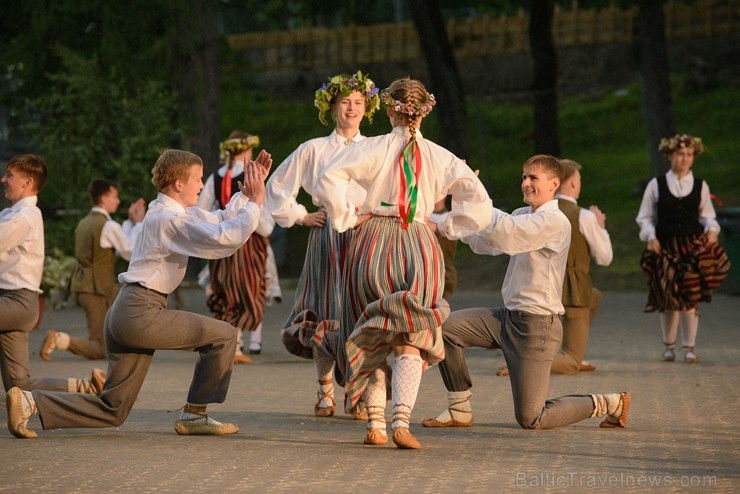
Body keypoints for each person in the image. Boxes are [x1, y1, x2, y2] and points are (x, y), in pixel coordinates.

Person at [6, 147, 273, 439]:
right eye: (197, 179)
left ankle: (30, 401)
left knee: (113, 409)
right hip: (140, 312)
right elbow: (226, 238)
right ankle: (195, 415)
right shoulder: (169, 219)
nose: (201, 185)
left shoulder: (169, 212)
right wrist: (256, 203)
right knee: (223, 334)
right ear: (178, 184)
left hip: (126, 312)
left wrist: (246, 196)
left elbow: (220, 220)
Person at [314, 77, 492, 449]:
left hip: (372, 241)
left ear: (390, 110)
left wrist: (348, 216)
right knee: (412, 330)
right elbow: (480, 204)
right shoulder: (442, 156)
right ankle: (401, 421)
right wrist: (445, 225)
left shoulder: (375, 147)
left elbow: (327, 176)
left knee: (374, 328)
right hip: (419, 244)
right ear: (424, 111)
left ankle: (376, 424)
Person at [422, 154, 630, 432]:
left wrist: (473, 193)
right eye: (524, 177)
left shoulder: (555, 221)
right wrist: (463, 196)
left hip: (537, 328)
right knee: (445, 328)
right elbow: (485, 240)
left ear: (554, 184)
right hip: (505, 319)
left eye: (533, 178)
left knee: (532, 418)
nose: (526, 183)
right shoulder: (522, 215)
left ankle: (608, 402)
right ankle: (459, 407)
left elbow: (506, 235)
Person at [266, 71, 380, 419]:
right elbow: (277, 186)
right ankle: (325, 389)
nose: (352, 108)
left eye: (358, 102)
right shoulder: (313, 149)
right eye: (345, 102)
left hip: (365, 235)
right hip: (328, 234)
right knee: (326, 309)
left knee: (364, 311)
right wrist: (301, 216)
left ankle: (362, 393)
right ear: (332, 107)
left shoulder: (375, 148)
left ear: (367, 108)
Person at [496, 158, 612, 376]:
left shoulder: (537, 212)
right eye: (579, 180)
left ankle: (570, 346)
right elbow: (605, 258)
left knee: (595, 297)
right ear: (573, 184)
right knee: (571, 363)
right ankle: (528, 363)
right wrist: (601, 228)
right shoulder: (584, 216)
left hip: (544, 286)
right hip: (574, 291)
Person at [1, 154, 105, 395]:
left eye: (9, 175)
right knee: (19, 386)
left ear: (27, 182)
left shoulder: (24, 217)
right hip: (15, 304)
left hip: (16, 302)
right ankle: (85, 387)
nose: (3, 179)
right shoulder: (14, 214)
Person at [636, 134, 730, 363]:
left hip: (692, 247)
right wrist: (650, 236)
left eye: (689, 155)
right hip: (665, 245)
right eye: (680, 154)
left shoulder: (700, 185)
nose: (685, 159)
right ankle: (669, 347)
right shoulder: (656, 185)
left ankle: (689, 348)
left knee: (690, 296)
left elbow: (708, 217)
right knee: (668, 297)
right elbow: (644, 217)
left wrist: (713, 231)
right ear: (670, 156)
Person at [40, 179, 145, 361]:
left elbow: (119, 245)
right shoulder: (107, 225)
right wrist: (138, 224)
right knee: (99, 348)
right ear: (104, 198)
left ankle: (130, 349)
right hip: (95, 289)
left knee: (126, 310)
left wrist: (130, 222)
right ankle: (59, 340)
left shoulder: (85, 222)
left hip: (88, 286)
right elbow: (129, 251)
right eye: (115, 196)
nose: (118, 201)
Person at [197, 131, 275, 363]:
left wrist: (219, 223)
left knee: (228, 289)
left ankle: (239, 342)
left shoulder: (215, 178)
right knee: (248, 289)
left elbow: (202, 209)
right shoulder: (249, 177)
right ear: (242, 152)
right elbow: (265, 221)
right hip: (246, 242)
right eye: (248, 151)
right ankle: (239, 342)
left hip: (226, 240)